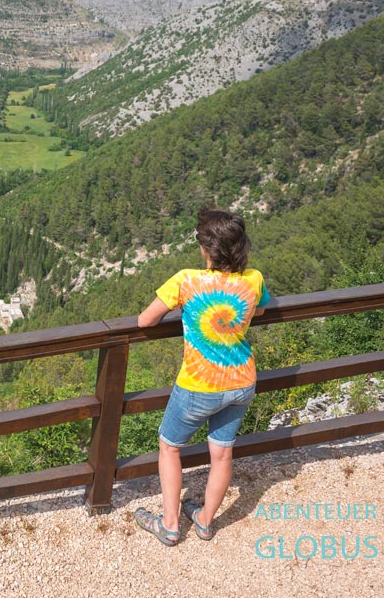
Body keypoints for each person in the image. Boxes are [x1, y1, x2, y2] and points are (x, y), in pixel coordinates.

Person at [133, 208, 271, 546]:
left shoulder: (186, 280)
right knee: (222, 453)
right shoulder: (253, 279)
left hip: (199, 384)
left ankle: (168, 524)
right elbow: (263, 309)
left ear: (206, 249)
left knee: (169, 446)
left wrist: (186, 308)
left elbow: (144, 322)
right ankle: (205, 522)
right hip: (242, 380)